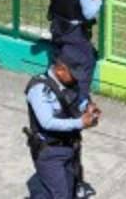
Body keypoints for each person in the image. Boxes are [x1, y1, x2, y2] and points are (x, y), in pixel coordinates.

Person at [29, 0, 102, 103]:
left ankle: (52, 95)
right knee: (87, 62)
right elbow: (89, 13)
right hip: (74, 34)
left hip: (56, 28)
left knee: (59, 63)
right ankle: (81, 103)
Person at [24, 43, 102, 199]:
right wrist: (80, 123)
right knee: (60, 194)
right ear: (60, 69)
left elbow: (76, 102)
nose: (76, 78)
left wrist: (88, 109)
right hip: (49, 153)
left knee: (66, 190)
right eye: (73, 74)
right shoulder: (39, 90)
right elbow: (47, 122)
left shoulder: (69, 83)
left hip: (69, 147)